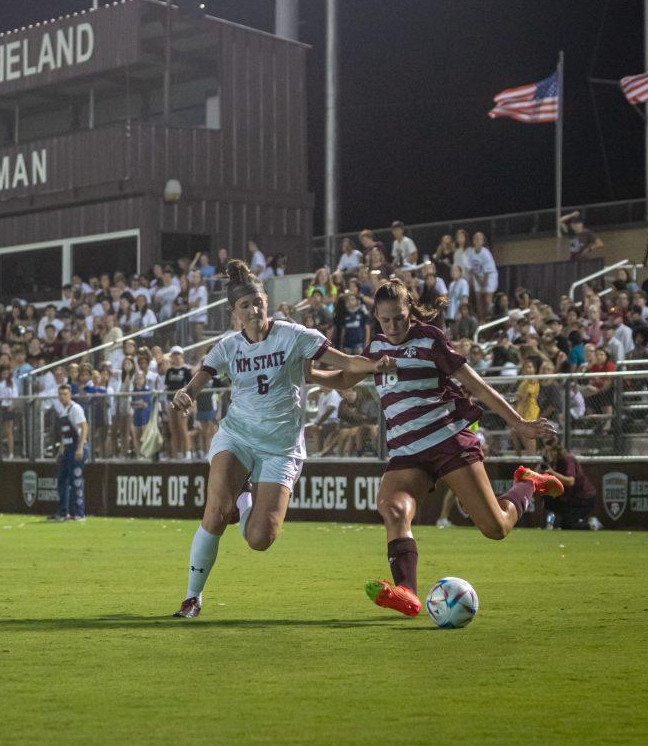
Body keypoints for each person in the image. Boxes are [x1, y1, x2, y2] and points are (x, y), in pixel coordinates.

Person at [168, 260, 392, 618]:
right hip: (237, 437)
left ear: (266, 302)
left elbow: (346, 362)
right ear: (234, 313)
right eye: (246, 305)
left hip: (281, 448)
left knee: (260, 539)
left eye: (258, 301)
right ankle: (192, 597)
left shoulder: (294, 335)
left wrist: (376, 365)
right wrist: (185, 394)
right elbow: (197, 382)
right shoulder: (228, 347)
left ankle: (245, 501)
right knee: (214, 511)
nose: (254, 309)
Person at [327, 279, 560, 619]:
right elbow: (344, 376)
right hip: (407, 454)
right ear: (376, 317)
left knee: (495, 528)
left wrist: (519, 423)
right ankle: (407, 592)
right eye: (385, 320)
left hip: (448, 443)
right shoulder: (376, 348)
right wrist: (306, 373)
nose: (393, 326)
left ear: (410, 311)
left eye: (400, 318)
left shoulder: (430, 339)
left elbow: (477, 386)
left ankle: (528, 483)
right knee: (392, 509)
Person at [539, 441, 599, 530]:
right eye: (546, 452)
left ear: (556, 451)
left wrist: (553, 473)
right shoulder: (553, 463)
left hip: (584, 498)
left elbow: (570, 481)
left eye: (549, 451)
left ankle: (592, 524)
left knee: (568, 525)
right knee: (548, 498)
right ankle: (554, 521)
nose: (547, 454)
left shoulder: (567, 460)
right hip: (570, 498)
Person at [50, 384, 88, 522]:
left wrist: (80, 447)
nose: (63, 397)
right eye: (60, 394)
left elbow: (84, 427)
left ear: (70, 394)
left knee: (75, 480)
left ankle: (79, 513)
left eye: (65, 394)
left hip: (76, 447)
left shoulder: (75, 409)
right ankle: (63, 512)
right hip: (67, 448)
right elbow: (64, 435)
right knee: (62, 480)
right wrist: (60, 451)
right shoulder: (63, 410)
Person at [164, 346, 193, 460]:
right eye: (174, 355)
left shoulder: (186, 370)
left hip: (183, 402)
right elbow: (167, 386)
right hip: (171, 401)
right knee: (174, 428)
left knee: (183, 427)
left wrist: (191, 403)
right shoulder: (169, 371)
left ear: (182, 356)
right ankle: (178, 453)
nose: (176, 357)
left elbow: (190, 387)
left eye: (178, 354)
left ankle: (188, 453)